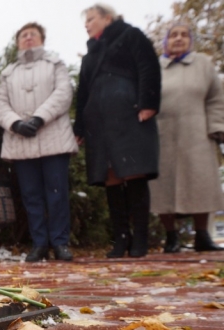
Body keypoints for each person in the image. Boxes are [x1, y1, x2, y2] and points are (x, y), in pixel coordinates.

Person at [74, 3, 161, 258]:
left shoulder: (131, 35)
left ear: (107, 18)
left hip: (129, 113)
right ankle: (121, 238)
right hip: (98, 121)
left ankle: (141, 240)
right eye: (85, 21)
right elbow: (83, 92)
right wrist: (79, 126)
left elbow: (148, 66)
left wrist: (148, 103)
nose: (87, 24)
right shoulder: (90, 55)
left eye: (91, 19)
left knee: (134, 172)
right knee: (110, 175)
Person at [0, 23, 78, 262]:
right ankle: (39, 243)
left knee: (57, 193)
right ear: (18, 41)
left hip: (54, 138)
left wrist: (40, 117)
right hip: (21, 141)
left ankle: (60, 243)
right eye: (23, 35)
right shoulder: (8, 72)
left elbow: (63, 93)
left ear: (42, 38)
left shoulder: (55, 64)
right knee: (31, 195)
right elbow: (0, 103)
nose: (28, 38)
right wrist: (16, 123)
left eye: (33, 34)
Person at [149, 23, 224, 252]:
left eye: (183, 35)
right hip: (163, 133)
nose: (179, 39)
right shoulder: (155, 67)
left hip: (197, 133)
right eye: (173, 35)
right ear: (165, 41)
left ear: (190, 40)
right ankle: (171, 238)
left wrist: (216, 127)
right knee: (164, 185)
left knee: (201, 182)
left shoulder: (203, 63)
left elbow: (216, 98)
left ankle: (202, 236)